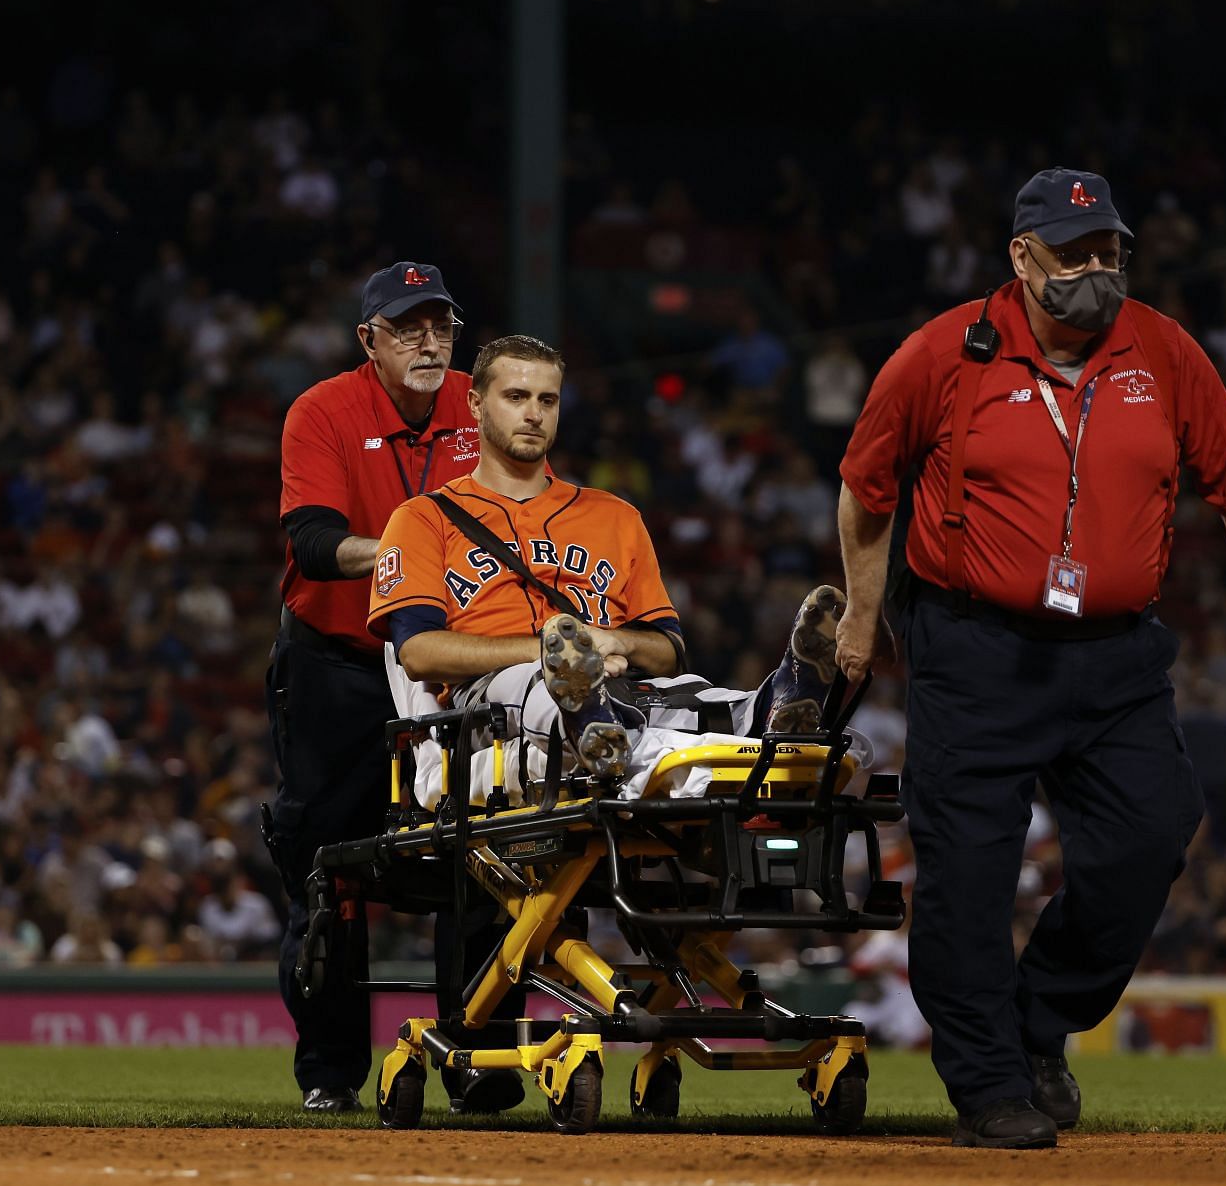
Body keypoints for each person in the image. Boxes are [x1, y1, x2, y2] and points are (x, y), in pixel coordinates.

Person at [834, 167, 1226, 1149]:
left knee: (1152, 832)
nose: (1099, 269)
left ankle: (1038, 1018)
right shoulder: (940, 354)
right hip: (974, 646)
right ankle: (989, 1082)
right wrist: (860, 618)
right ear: (1022, 256)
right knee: (968, 873)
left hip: (1113, 655)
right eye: (1077, 252)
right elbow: (866, 490)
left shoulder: (1164, 350)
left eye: (1111, 251)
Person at [369, 333, 849, 809]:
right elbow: (417, 652)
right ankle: (584, 724)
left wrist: (614, 641)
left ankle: (772, 704)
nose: (534, 414)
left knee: (689, 696)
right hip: (491, 701)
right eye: (516, 397)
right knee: (541, 688)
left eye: (547, 399)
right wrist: (553, 652)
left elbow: (668, 652)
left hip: (615, 685)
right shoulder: (422, 518)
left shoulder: (615, 516)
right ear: (475, 404)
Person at [268, 262, 486, 1113]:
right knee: (326, 867)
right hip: (338, 663)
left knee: (485, 855)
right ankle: (329, 1074)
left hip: (455, 665)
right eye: (408, 326)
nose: (430, 340)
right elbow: (315, 543)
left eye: (441, 324)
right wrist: (413, 546)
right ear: (370, 340)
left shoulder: (482, 400)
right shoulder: (321, 410)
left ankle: (479, 1065)